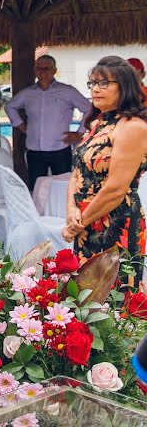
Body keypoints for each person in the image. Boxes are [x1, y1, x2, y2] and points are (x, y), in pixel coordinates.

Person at [63, 56, 147, 285]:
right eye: (92, 83)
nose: (96, 89)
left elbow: (116, 188)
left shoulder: (133, 127)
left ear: (126, 86)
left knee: (113, 294)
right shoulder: (97, 124)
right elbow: (78, 171)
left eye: (104, 83)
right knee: (83, 294)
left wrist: (78, 222)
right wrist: (71, 210)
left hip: (116, 220)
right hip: (86, 220)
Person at [4, 55, 92, 190]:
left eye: (46, 68)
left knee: (63, 188)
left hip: (60, 149)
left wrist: (79, 133)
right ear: (34, 70)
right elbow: (10, 106)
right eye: (39, 68)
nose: (42, 71)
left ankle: (62, 212)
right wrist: (20, 125)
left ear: (54, 70)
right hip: (34, 150)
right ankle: (39, 212)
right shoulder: (27, 93)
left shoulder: (67, 91)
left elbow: (90, 109)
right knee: (37, 188)